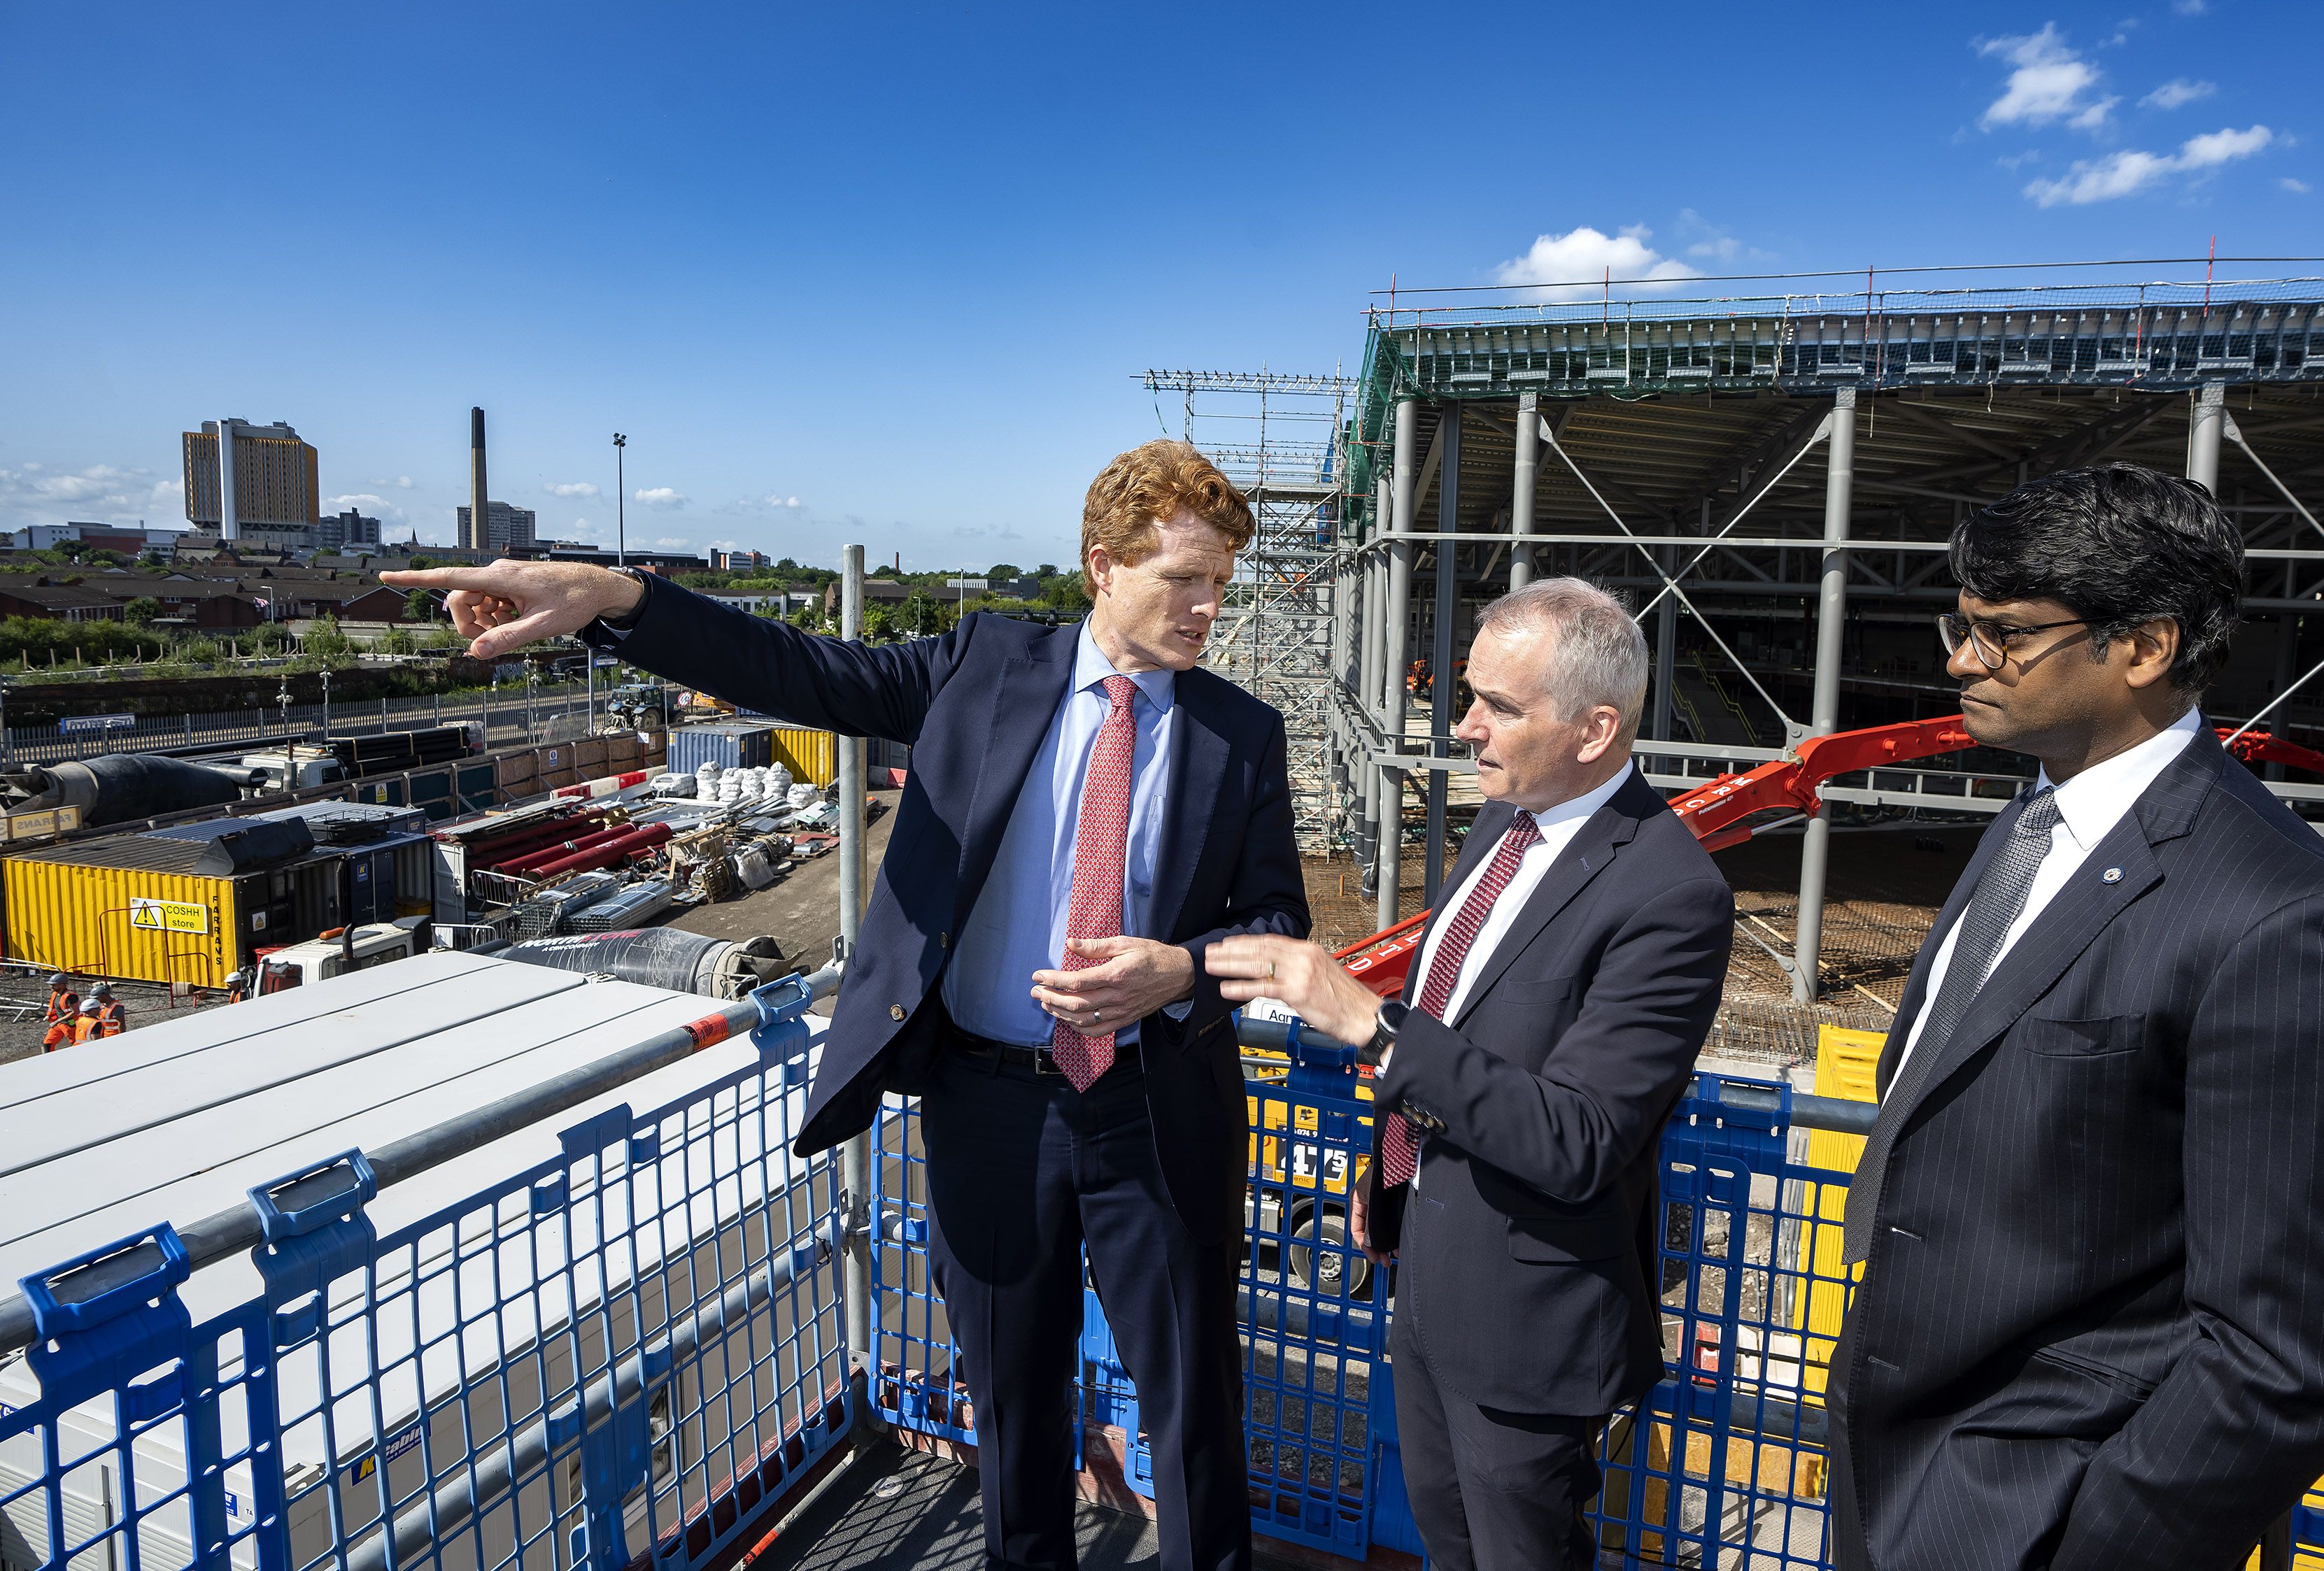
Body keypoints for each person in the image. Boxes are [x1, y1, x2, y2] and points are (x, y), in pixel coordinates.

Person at [388, 439, 1307, 1571]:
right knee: (1013, 1408)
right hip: (988, 1109)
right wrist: (612, 598)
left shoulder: (1240, 734)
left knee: (1196, 1412)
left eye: (1222, 582)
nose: (1209, 607)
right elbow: (802, 669)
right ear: (1102, 566)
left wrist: (1177, 972)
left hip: (1158, 1108)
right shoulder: (986, 665)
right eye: (1184, 580)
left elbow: (1278, 927)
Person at [1827, 465, 2324, 1571]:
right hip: (1899, 1470)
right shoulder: (2031, 825)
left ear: (2145, 649)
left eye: (2004, 634)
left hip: (2028, 1514)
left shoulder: (2285, 925)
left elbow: (2298, 1355)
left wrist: (2081, 1545)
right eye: (1959, 625)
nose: (1960, 661)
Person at [1209, 578, 1732, 1570]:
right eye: (1467, 696)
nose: (1463, 727)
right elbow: (1464, 1023)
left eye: (1499, 706)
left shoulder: (1671, 895)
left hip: (1526, 1333)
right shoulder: (1508, 822)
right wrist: (1390, 1172)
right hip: (1427, 1274)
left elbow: (1578, 1137)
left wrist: (1367, 1022)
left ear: (1595, 729)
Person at [42, 976, 80, 1052]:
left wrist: (57, 1021)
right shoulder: (55, 994)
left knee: (75, 1044)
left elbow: (75, 1012)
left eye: (54, 985)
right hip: (59, 1024)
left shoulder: (70, 997)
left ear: (62, 985)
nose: (51, 987)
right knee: (47, 1043)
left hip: (69, 1024)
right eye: (51, 984)